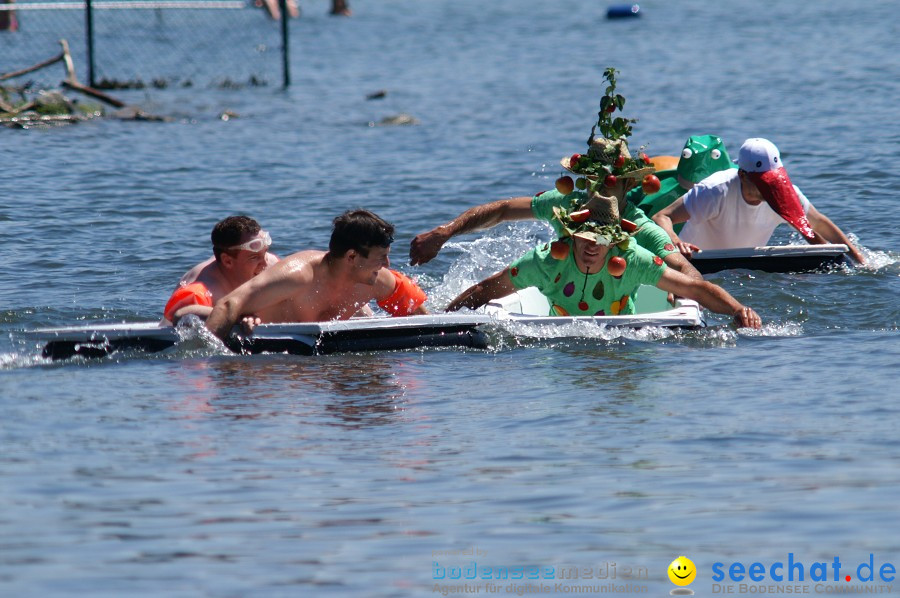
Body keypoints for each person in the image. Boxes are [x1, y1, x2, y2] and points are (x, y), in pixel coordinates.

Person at [410, 68, 704, 285]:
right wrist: (444, 232)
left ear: (628, 184)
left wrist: (687, 295)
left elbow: (683, 268)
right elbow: (501, 210)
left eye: (610, 180)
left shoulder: (639, 226)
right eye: (593, 178)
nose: (599, 186)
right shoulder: (565, 205)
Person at [446, 191, 762, 329]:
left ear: (614, 241)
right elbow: (484, 290)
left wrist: (739, 310)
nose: (593, 247)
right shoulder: (546, 261)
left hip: (623, 340)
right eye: (585, 238)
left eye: (601, 241)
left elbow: (696, 289)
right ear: (571, 236)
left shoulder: (633, 258)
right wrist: (442, 321)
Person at [205, 209, 428, 342]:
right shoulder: (298, 276)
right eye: (380, 258)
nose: (386, 265)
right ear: (351, 257)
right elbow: (227, 305)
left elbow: (425, 321)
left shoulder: (379, 280)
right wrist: (206, 366)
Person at [652, 138, 866, 264]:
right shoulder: (715, 191)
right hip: (701, 265)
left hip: (747, 269)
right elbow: (662, 216)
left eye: (775, 182)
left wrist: (858, 260)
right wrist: (674, 240)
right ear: (743, 175)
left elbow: (819, 223)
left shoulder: (785, 192)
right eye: (764, 183)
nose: (772, 189)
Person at [163, 215, 279, 324]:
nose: (265, 263)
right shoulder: (201, 290)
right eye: (254, 257)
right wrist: (235, 316)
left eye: (265, 253)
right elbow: (181, 316)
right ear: (227, 261)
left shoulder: (273, 264)